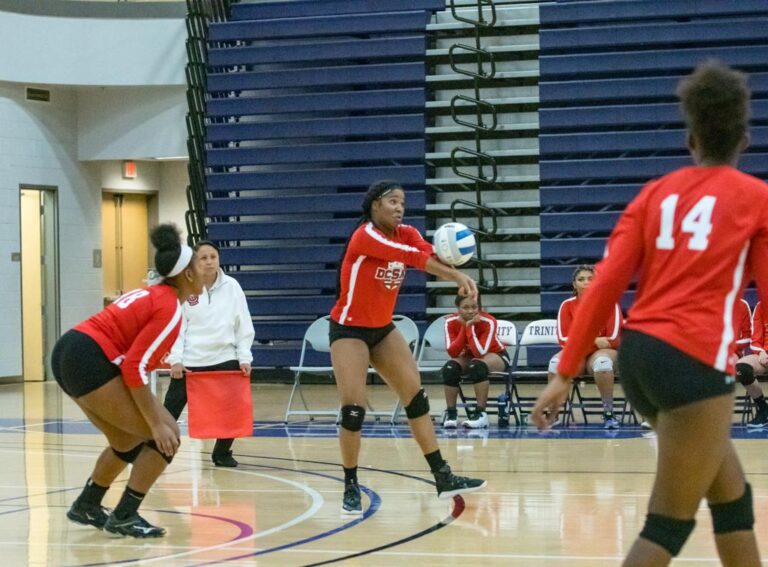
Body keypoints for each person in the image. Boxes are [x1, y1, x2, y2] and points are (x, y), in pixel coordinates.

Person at [532, 61, 762, 566]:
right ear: (744, 140)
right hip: (695, 363)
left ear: (691, 140)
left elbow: (603, 288)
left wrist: (564, 374)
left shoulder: (654, 195)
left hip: (637, 359)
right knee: (668, 525)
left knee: (732, 500)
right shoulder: (756, 200)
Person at [330, 180, 487, 514]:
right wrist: (458, 279)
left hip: (382, 329)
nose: (399, 207)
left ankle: (442, 476)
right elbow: (411, 258)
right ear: (375, 205)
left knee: (416, 399)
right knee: (353, 410)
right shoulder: (366, 236)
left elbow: (426, 252)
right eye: (392, 201)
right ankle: (350, 483)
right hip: (348, 330)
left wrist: (454, 266)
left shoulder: (408, 231)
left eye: (402, 202)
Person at [53, 224, 204, 538]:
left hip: (70, 350)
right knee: (168, 437)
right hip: (89, 357)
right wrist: (157, 423)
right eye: (199, 265)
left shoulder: (155, 294)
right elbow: (134, 368)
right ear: (187, 275)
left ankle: (87, 504)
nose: (205, 271)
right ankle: (124, 514)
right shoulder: (167, 307)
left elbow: (133, 364)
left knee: (126, 440)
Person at [163, 240, 256, 467]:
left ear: (219, 259)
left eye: (212, 257)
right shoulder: (186, 287)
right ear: (195, 261)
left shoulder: (232, 286)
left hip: (225, 357)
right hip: (190, 361)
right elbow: (177, 327)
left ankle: (222, 453)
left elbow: (243, 324)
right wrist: (175, 360)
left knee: (232, 411)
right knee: (169, 411)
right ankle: (156, 451)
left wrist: (244, 357)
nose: (209, 262)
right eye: (203, 258)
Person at [549, 265, 623, 429]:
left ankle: (609, 413)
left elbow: (613, 339)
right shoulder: (567, 306)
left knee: (602, 362)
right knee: (556, 363)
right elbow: (563, 339)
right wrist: (594, 340)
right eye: (581, 279)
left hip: (602, 352)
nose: (586, 283)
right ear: (574, 284)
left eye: (590, 279)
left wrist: (584, 341)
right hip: (580, 353)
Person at [441, 294, 510, 429]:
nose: (471, 311)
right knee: (450, 368)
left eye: (474, 307)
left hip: (496, 355)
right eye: (465, 307)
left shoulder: (489, 321)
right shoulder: (450, 321)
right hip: (470, 355)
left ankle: (481, 414)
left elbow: (480, 352)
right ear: (458, 308)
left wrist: (469, 327)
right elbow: (453, 352)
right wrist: (463, 327)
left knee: (477, 366)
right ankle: (451, 414)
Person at [736, 300, 768, 428]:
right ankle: (763, 408)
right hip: (764, 355)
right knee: (742, 368)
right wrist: (762, 352)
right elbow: (755, 339)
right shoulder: (761, 306)